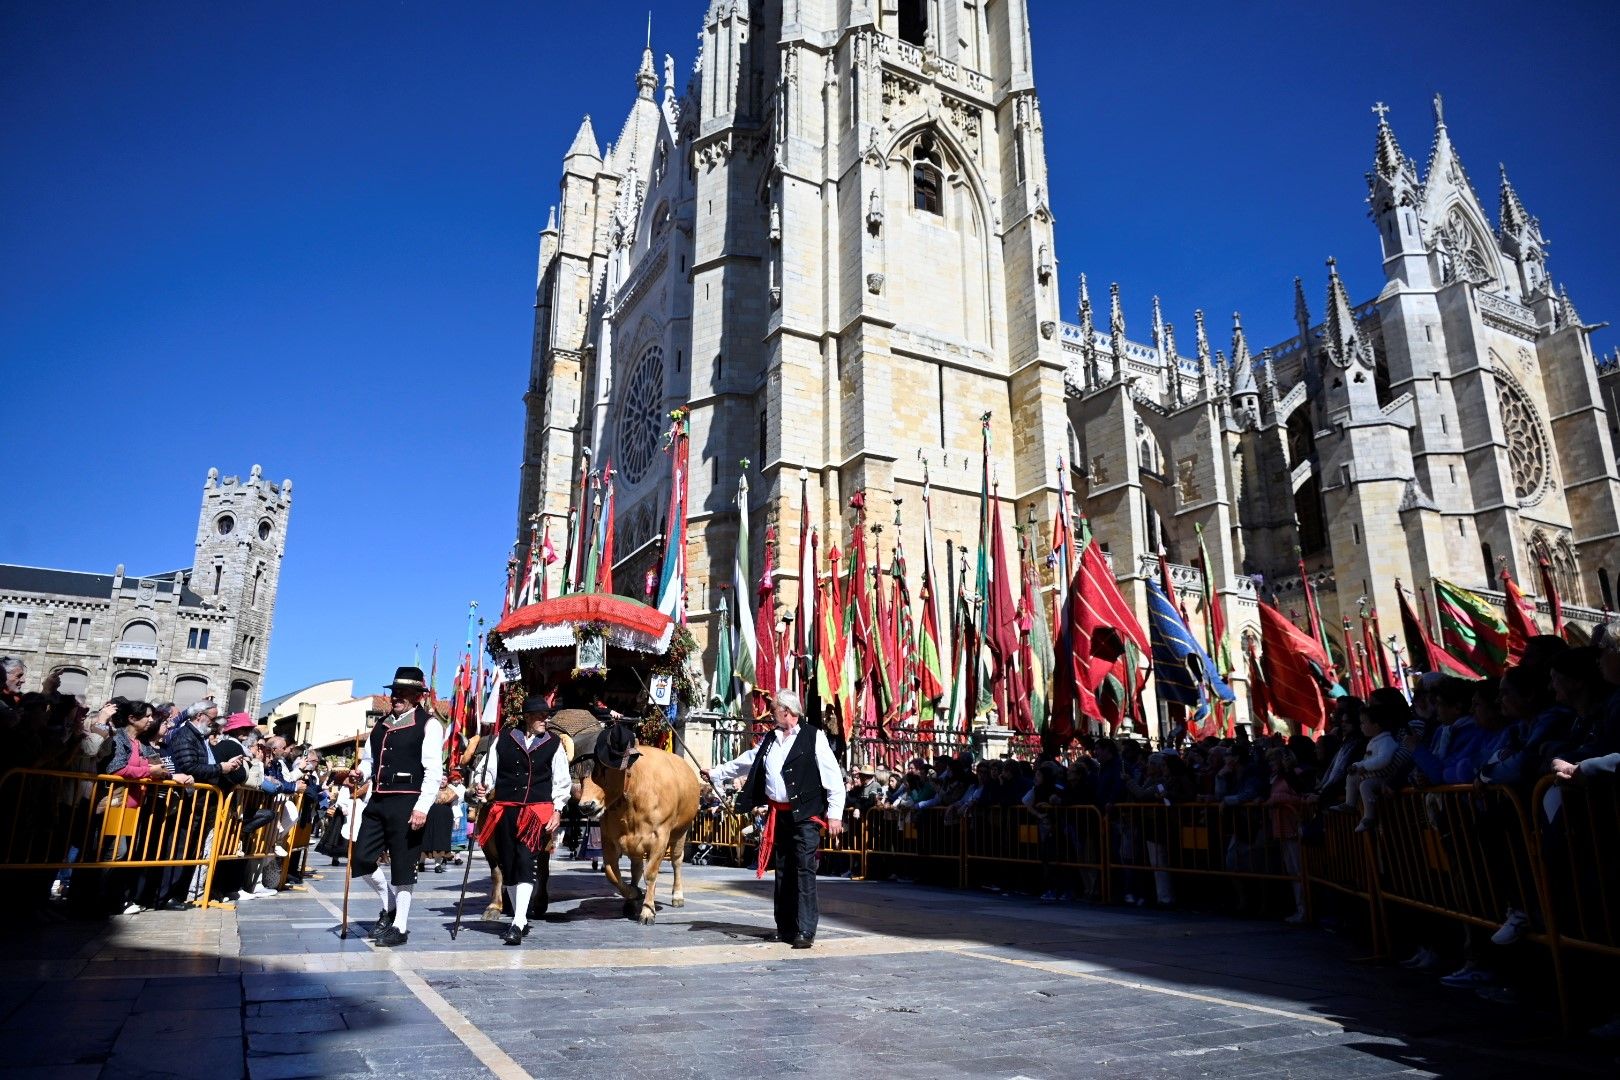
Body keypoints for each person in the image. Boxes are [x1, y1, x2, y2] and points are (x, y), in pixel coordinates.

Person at [704, 689, 844, 949]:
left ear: (787, 712)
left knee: (804, 871)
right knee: (783, 871)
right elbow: (748, 761)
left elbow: (833, 776)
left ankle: (805, 929)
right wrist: (717, 772)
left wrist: (835, 814)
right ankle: (785, 927)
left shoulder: (814, 737)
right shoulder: (771, 738)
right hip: (778, 815)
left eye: (774, 709)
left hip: (805, 816)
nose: (771, 713)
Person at [351, 666, 444, 947]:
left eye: (403, 692)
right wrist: (361, 772)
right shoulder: (380, 726)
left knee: (403, 866)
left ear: (417, 696)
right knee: (362, 859)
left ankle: (400, 927)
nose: (396, 697)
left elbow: (433, 771)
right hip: (378, 800)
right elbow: (369, 760)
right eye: (394, 692)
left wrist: (422, 807)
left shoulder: (428, 724)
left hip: (408, 801)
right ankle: (389, 904)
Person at [473, 694, 570, 945]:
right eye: (539, 716)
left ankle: (517, 921)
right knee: (510, 865)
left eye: (546, 716)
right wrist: (481, 785)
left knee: (526, 860)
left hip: (536, 811)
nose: (544, 721)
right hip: (505, 810)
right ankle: (520, 918)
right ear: (526, 718)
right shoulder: (502, 740)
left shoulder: (553, 743)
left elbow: (561, 780)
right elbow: (488, 770)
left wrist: (557, 809)